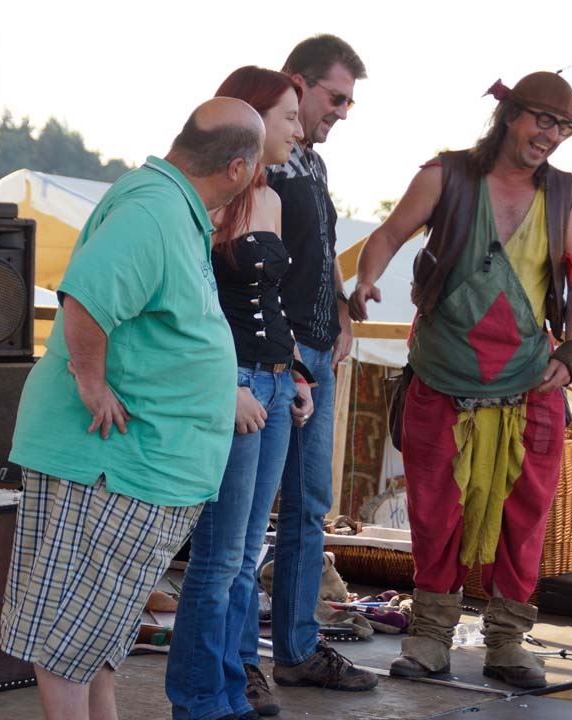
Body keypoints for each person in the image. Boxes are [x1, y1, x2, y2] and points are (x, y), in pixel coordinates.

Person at [0, 97, 265, 720]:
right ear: (235, 168)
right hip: (105, 463)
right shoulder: (153, 209)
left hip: (134, 466)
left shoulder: (174, 207)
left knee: (95, 637)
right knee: (67, 636)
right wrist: (91, 382)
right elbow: (87, 297)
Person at [348, 71, 572, 690]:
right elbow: (388, 234)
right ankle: (430, 635)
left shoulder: (565, 194)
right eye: (543, 120)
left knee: (526, 515)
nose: (552, 135)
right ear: (510, 114)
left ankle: (508, 641)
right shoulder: (447, 175)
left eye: (564, 127)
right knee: (436, 512)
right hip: (443, 374)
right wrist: (366, 279)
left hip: (531, 381)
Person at [166, 65, 311, 720]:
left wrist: (297, 373)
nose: (298, 129)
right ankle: (200, 700)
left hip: (275, 384)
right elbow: (191, 307)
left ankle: (229, 690)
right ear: (252, 118)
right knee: (220, 555)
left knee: (248, 553)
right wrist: (225, 384)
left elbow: (271, 301)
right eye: (289, 116)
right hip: (236, 385)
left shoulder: (272, 198)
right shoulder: (209, 201)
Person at [241, 35, 378, 715]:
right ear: (296, 82)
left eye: (349, 101)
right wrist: (285, 347)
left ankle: (295, 650)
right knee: (242, 522)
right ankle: (240, 663)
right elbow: (249, 264)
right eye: (336, 98)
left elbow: (315, 253)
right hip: (273, 357)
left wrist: (344, 306)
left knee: (308, 507)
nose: (343, 112)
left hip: (314, 355)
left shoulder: (312, 165)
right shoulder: (258, 162)